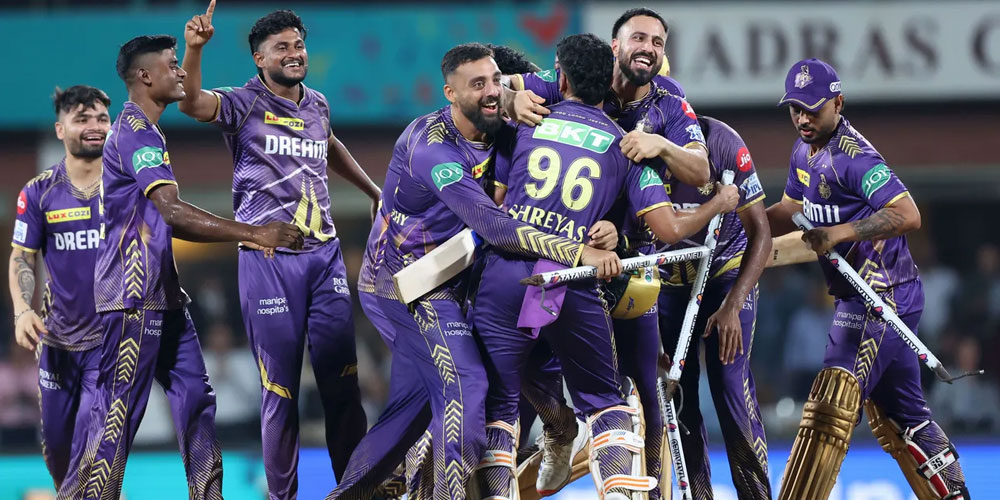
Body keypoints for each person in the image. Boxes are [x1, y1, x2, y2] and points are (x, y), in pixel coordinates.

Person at [328, 42, 620, 500]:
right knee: (466, 389)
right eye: (477, 84)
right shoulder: (432, 148)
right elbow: (495, 226)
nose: (491, 91)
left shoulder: (502, 115)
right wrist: (577, 251)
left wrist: (513, 96)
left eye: (495, 81)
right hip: (411, 286)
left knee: (414, 409)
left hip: (464, 280)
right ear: (450, 93)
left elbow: (565, 81)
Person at [475, 34, 738, 500]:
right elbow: (668, 229)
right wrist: (718, 203)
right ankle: (613, 483)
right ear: (612, 81)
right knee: (607, 404)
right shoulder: (628, 147)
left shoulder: (524, 124)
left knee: (499, 408)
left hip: (505, 275)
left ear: (561, 78)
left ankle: (525, 464)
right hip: (575, 279)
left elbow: (495, 202)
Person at [61, 34, 302, 500]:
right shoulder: (134, 132)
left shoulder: (149, 132)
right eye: (172, 64)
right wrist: (255, 233)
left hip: (165, 297)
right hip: (131, 297)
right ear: (145, 76)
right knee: (117, 414)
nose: (181, 72)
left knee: (196, 400)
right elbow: (171, 212)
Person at [177, 5, 379, 496]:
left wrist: (372, 190)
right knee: (281, 390)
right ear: (259, 58)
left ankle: (355, 489)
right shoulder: (243, 102)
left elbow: (328, 144)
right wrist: (195, 50)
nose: (294, 54)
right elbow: (191, 104)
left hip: (324, 257)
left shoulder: (318, 104)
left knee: (342, 384)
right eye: (281, 48)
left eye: (298, 45)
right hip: (269, 261)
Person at [765, 58, 969, 500]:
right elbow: (789, 210)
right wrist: (743, 229)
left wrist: (839, 233)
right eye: (795, 109)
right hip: (857, 296)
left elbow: (908, 214)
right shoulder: (803, 151)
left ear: (838, 103)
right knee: (903, 420)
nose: (802, 119)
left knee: (830, 405)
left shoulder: (854, 158)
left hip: (880, 295)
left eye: (812, 109)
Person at [655, 113, 773, 500]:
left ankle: (756, 495)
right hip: (668, 281)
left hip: (724, 272)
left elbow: (761, 232)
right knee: (677, 394)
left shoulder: (723, 142)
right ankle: (698, 494)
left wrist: (733, 304)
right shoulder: (639, 142)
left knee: (729, 384)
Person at [8, 85, 110, 489]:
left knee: (93, 445)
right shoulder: (39, 191)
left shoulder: (128, 186)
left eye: (101, 118)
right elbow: (22, 256)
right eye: (82, 119)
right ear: (60, 129)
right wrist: (22, 310)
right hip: (57, 343)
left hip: (111, 341)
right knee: (58, 451)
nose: (94, 126)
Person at [505, 7, 710, 188]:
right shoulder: (580, 79)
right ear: (615, 46)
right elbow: (501, 81)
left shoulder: (671, 106)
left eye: (657, 43)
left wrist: (662, 145)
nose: (648, 48)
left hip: (633, 216)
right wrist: (509, 98)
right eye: (638, 38)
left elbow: (701, 171)